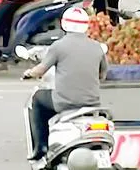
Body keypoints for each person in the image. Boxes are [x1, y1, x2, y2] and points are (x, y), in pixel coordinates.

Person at [23, 8, 108, 159]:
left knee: (37, 99)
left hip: (65, 102)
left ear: (64, 24)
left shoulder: (58, 46)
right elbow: (102, 75)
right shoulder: (97, 47)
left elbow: (41, 70)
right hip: (92, 103)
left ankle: (41, 147)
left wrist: (29, 73)